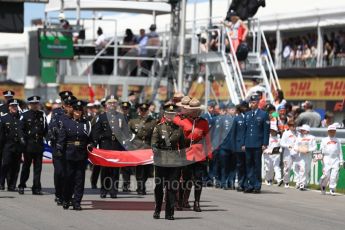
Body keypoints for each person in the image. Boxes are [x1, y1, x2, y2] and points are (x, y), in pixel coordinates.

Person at [91, 96, 131, 198]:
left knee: (115, 170)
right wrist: (95, 144)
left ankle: (114, 191)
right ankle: (104, 190)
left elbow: (127, 132)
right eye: (110, 103)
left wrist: (126, 143)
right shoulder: (102, 117)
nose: (112, 105)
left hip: (117, 146)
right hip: (105, 146)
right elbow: (96, 132)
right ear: (106, 105)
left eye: (114, 103)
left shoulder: (122, 117)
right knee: (105, 169)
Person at [151, 103, 186, 220]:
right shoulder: (158, 127)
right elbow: (153, 144)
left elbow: (182, 148)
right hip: (161, 161)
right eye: (168, 114)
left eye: (172, 114)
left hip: (174, 162)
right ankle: (157, 209)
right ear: (165, 115)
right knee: (159, 187)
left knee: (172, 188)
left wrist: (184, 163)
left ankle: (170, 212)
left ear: (175, 115)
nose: (170, 116)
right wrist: (156, 150)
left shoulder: (179, 129)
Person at [178, 98, 212, 212]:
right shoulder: (181, 121)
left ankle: (196, 202)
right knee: (185, 180)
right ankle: (181, 201)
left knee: (198, 180)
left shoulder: (203, 122)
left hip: (199, 154)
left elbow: (207, 139)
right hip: (186, 153)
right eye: (192, 110)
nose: (195, 112)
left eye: (197, 110)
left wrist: (209, 154)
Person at [57, 100, 91, 210]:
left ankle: (77, 202)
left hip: (81, 154)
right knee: (69, 179)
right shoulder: (67, 123)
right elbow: (62, 138)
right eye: (76, 110)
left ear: (82, 112)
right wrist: (59, 149)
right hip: (69, 153)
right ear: (73, 111)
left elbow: (90, 138)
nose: (78, 112)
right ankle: (66, 199)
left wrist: (91, 144)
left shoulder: (86, 123)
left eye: (80, 110)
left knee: (79, 180)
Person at [48, 91, 75, 205]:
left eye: (70, 103)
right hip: (58, 146)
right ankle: (58, 194)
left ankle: (67, 195)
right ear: (62, 102)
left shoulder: (76, 112)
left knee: (70, 173)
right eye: (65, 101)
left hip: (71, 146)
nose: (67, 104)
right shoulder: (56, 112)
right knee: (59, 172)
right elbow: (52, 127)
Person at [18, 96, 48, 195]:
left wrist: (47, 138)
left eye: (37, 103)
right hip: (28, 144)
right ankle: (22, 185)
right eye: (33, 104)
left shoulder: (42, 114)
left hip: (38, 144)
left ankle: (36, 187)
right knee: (26, 167)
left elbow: (45, 129)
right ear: (29, 105)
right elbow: (20, 129)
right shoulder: (25, 115)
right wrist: (22, 139)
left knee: (38, 168)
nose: (35, 105)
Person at [128, 103, 158, 195]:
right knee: (139, 168)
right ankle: (140, 186)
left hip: (148, 147)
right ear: (139, 111)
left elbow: (155, 134)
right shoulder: (133, 121)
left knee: (147, 168)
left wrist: (154, 145)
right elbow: (128, 134)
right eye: (142, 110)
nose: (144, 112)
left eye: (145, 110)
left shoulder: (153, 121)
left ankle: (142, 184)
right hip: (137, 147)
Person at [242, 95, 270, 193]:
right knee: (249, 165)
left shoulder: (263, 114)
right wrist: (243, 143)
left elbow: (266, 130)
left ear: (257, 103)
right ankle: (250, 184)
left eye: (254, 102)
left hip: (258, 143)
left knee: (257, 165)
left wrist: (265, 143)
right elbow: (244, 130)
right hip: (248, 143)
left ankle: (257, 185)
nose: (252, 104)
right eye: (251, 102)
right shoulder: (247, 114)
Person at [0, 99, 25, 191]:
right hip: (8, 145)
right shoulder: (4, 118)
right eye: (12, 106)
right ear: (9, 107)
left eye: (16, 106)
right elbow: (1, 134)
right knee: (5, 164)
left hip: (18, 145)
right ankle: (1, 182)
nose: (14, 107)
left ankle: (12, 185)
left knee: (16, 166)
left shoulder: (21, 117)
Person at [319, 125, 344, 195]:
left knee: (334, 175)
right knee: (326, 175)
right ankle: (323, 185)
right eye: (330, 131)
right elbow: (320, 150)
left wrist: (341, 161)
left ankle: (332, 188)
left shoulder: (338, 140)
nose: (332, 132)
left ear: (335, 132)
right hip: (326, 159)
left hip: (335, 159)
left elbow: (340, 151)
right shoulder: (324, 140)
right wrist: (321, 157)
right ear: (328, 131)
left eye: (333, 131)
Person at [293, 124, 317, 191]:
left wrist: (308, 150)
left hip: (308, 156)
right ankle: (301, 184)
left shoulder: (312, 137)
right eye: (301, 130)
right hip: (300, 156)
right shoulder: (299, 137)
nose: (301, 131)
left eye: (303, 130)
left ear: (307, 131)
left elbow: (315, 147)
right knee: (302, 169)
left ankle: (304, 183)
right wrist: (297, 149)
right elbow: (295, 145)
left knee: (307, 170)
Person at [280, 120, 298, 188]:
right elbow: (281, 143)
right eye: (291, 125)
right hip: (288, 153)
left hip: (296, 152)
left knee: (297, 167)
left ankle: (297, 182)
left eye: (294, 125)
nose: (293, 127)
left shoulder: (298, 133)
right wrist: (288, 146)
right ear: (289, 126)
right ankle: (286, 181)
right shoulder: (286, 133)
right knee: (287, 168)